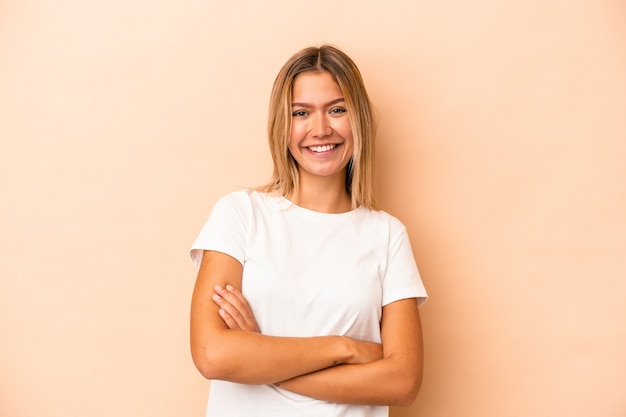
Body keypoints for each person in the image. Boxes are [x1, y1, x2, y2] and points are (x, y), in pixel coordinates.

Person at [189, 44, 428, 417]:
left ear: (358, 119)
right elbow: (212, 354)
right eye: (301, 113)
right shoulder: (240, 214)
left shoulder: (387, 235)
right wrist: (343, 349)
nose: (320, 129)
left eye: (337, 110)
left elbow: (402, 382)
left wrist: (259, 356)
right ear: (282, 125)